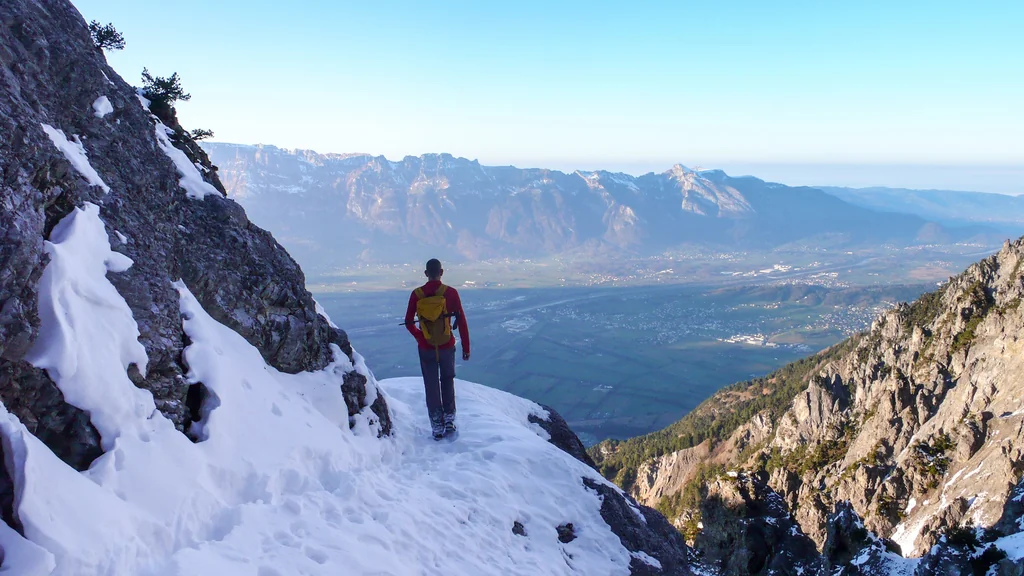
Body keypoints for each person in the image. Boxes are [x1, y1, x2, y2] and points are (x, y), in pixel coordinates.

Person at [405, 258, 470, 439]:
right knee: (447, 380)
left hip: (426, 348)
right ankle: (449, 420)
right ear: (441, 272)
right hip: (447, 346)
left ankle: (436, 426)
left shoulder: (416, 294)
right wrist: (466, 347)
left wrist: (421, 337)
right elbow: (462, 321)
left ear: (426, 274)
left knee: (431, 385)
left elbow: (409, 322)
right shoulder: (451, 293)